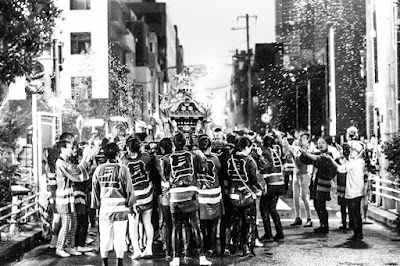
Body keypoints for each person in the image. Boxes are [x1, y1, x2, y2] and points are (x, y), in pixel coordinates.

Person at [162, 132, 212, 266]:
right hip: (191, 195)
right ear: (185, 142)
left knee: (176, 228)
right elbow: (203, 169)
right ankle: (202, 257)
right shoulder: (193, 156)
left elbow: (165, 177)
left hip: (175, 197)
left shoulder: (167, 158)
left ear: (174, 143)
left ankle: (175, 258)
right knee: (196, 227)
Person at [91, 142, 136, 266]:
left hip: (105, 207)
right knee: (120, 236)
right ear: (117, 154)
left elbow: (94, 192)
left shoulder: (98, 169)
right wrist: (131, 206)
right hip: (121, 207)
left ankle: (104, 262)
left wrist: (96, 208)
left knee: (105, 236)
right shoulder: (123, 168)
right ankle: (119, 262)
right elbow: (129, 189)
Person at [54, 136, 97, 257]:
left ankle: (70, 246)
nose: (71, 150)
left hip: (69, 196)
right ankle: (60, 247)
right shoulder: (61, 162)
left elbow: (78, 170)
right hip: (63, 197)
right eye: (69, 148)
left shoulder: (65, 162)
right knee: (66, 224)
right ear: (62, 149)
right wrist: (86, 157)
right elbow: (77, 171)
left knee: (73, 222)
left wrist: (87, 158)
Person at [226, 137, 266, 257]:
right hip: (247, 195)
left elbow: (226, 176)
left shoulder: (230, 159)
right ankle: (246, 246)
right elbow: (255, 179)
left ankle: (234, 244)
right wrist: (261, 188)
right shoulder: (249, 160)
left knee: (235, 221)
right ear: (247, 147)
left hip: (233, 194)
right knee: (249, 222)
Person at [123, 138, 156, 259]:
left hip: (133, 197)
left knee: (133, 224)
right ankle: (149, 248)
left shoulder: (123, 161)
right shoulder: (146, 157)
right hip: (147, 194)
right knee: (147, 222)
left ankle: (136, 249)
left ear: (127, 148)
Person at [329, 137, 366, 241]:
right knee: (355, 213)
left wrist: (331, 160)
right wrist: (341, 155)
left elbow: (341, 168)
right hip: (356, 192)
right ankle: (357, 233)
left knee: (355, 214)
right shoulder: (359, 162)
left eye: (353, 151)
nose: (351, 152)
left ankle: (358, 234)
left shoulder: (356, 163)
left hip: (354, 192)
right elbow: (346, 164)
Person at [299, 137, 338, 234]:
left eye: (323, 143)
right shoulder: (317, 153)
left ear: (327, 144)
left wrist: (307, 153)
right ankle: (322, 224)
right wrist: (304, 150)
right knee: (317, 204)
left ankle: (325, 226)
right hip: (316, 183)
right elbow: (304, 160)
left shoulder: (328, 155)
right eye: (319, 143)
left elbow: (319, 160)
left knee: (321, 205)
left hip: (323, 182)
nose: (320, 144)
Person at [197, 135, 224, 256]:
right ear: (210, 146)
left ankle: (203, 246)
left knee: (202, 223)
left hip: (201, 193)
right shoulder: (215, 159)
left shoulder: (195, 158)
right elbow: (219, 171)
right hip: (214, 193)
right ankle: (211, 247)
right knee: (213, 222)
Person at [259, 135, 285, 242]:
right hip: (279, 183)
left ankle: (268, 233)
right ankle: (279, 232)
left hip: (271, 184)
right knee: (272, 208)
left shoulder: (264, 152)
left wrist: (259, 159)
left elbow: (266, 166)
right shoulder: (275, 151)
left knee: (264, 208)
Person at [288, 132, 313, 227]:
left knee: (304, 197)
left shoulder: (309, 150)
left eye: (303, 138)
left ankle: (309, 218)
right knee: (295, 197)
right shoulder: (297, 149)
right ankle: (297, 217)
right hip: (296, 174)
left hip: (305, 174)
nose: (301, 140)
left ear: (307, 141)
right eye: (300, 138)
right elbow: (289, 151)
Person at [158, 137, 174, 258]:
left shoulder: (160, 161)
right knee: (180, 223)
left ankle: (167, 249)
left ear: (162, 149)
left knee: (166, 222)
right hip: (176, 193)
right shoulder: (176, 158)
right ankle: (182, 248)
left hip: (164, 196)